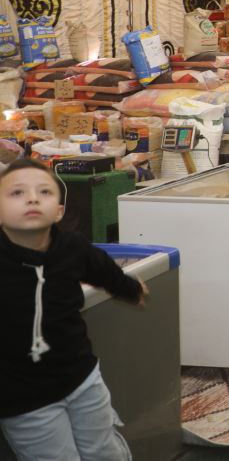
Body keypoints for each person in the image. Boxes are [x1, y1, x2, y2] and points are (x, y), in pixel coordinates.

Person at [1, 158, 148, 461]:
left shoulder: (73, 247)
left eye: (44, 191)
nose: (32, 198)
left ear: (59, 211)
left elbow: (105, 271)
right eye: (17, 193)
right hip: (23, 398)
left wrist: (131, 289)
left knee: (105, 451)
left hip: (81, 378)